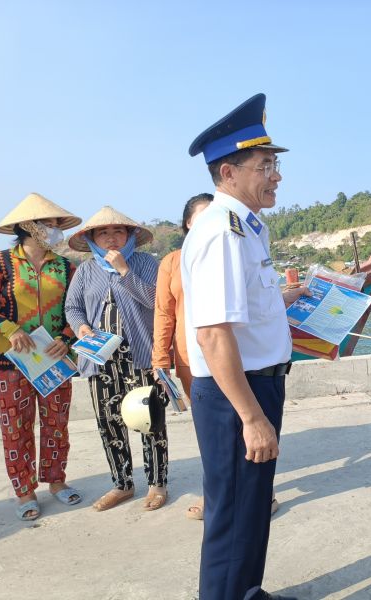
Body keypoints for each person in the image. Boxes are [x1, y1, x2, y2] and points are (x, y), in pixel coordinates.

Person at [182, 93, 307, 600]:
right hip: (238, 397)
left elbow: (246, 310)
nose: (276, 175)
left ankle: (248, 593)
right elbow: (213, 333)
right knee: (233, 517)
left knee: (252, 509)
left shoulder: (249, 228)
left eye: (275, 164)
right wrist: (252, 417)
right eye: (265, 165)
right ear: (229, 172)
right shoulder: (222, 232)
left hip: (255, 388)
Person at [65, 206, 170, 512]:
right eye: (103, 233)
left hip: (140, 357)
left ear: (130, 235)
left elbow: (156, 300)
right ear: (93, 239)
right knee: (108, 424)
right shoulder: (85, 270)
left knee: (151, 421)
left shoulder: (146, 263)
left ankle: (157, 483)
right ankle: (122, 484)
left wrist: (125, 270)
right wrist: (81, 327)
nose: (111, 238)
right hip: (100, 361)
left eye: (118, 232)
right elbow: (72, 308)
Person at [0, 193, 82, 521]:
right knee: (16, 427)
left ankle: (57, 481)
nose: (56, 229)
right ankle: (24, 491)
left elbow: (78, 309)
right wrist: (10, 329)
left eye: (58, 224)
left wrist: (66, 338)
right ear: (29, 226)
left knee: (57, 424)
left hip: (56, 358)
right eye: (51, 223)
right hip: (11, 359)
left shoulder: (67, 267)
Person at [152, 193, 212, 520]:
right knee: (208, 430)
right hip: (191, 362)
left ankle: (262, 491)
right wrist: (160, 361)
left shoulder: (228, 255)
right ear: (187, 222)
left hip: (233, 358)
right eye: (200, 217)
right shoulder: (172, 262)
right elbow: (164, 313)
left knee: (241, 426)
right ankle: (214, 492)